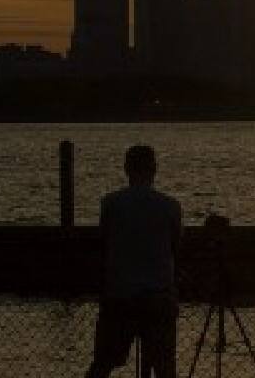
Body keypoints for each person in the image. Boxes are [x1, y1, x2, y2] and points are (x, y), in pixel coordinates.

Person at [86, 145, 183, 378]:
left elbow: (103, 243)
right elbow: (175, 247)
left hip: (120, 296)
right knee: (164, 368)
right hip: (158, 297)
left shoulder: (110, 204)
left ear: (126, 169)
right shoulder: (170, 206)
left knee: (103, 363)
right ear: (154, 170)